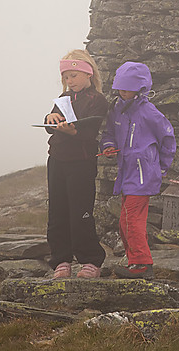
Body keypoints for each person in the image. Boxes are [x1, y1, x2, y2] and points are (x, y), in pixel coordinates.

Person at [100, 61, 176, 279]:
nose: (123, 91)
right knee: (125, 220)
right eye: (120, 87)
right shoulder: (117, 110)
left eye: (128, 87)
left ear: (140, 88)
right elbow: (108, 134)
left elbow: (168, 138)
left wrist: (161, 168)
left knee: (131, 219)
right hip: (126, 173)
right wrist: (108, 147)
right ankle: (135, 262)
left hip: (143, 175)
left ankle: (143, 264)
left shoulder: (148, 112)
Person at [43, 49, 108, 279]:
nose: (70, 81)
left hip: (81, 163)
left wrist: (73, 131)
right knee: (57, 211)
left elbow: (90, 133)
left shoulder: (98, 100)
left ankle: (90, 260)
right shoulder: (62, 100)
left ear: (88, 74)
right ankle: (61, 260)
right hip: (57, 160)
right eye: (66, 77)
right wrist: (50, 121)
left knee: (81, 212)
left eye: (74, 75)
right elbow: (50, 123)